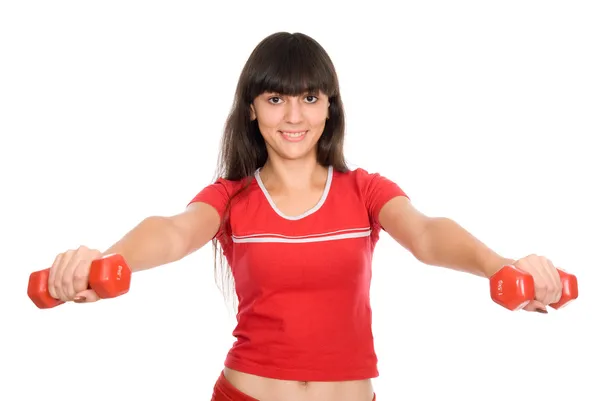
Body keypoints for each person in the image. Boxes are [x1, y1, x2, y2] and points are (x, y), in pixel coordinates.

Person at [45, 32, 565, 401]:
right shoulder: (230, 198)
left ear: (329, 107)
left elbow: (428, 235)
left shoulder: (364, 191)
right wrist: (111, 259)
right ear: (252, 108)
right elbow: (175, 231)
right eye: (276, 99)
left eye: (309, 98)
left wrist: (504, 265)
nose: (294, 117)